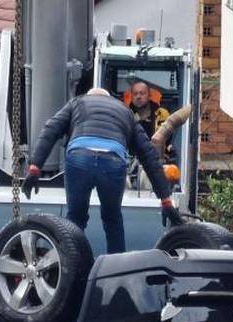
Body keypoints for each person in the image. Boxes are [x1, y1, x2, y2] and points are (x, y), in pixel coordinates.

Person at [22, 88, 176, 254]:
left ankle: (71, 268)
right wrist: (165, 199)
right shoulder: (125, 111)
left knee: (75, 220)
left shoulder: (77, 102)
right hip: (113, 161)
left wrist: (35, 167)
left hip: (80, 157)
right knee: (112, 219)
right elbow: (148, 155)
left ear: (90, 96)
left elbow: (50, 129)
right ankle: (117, 271)